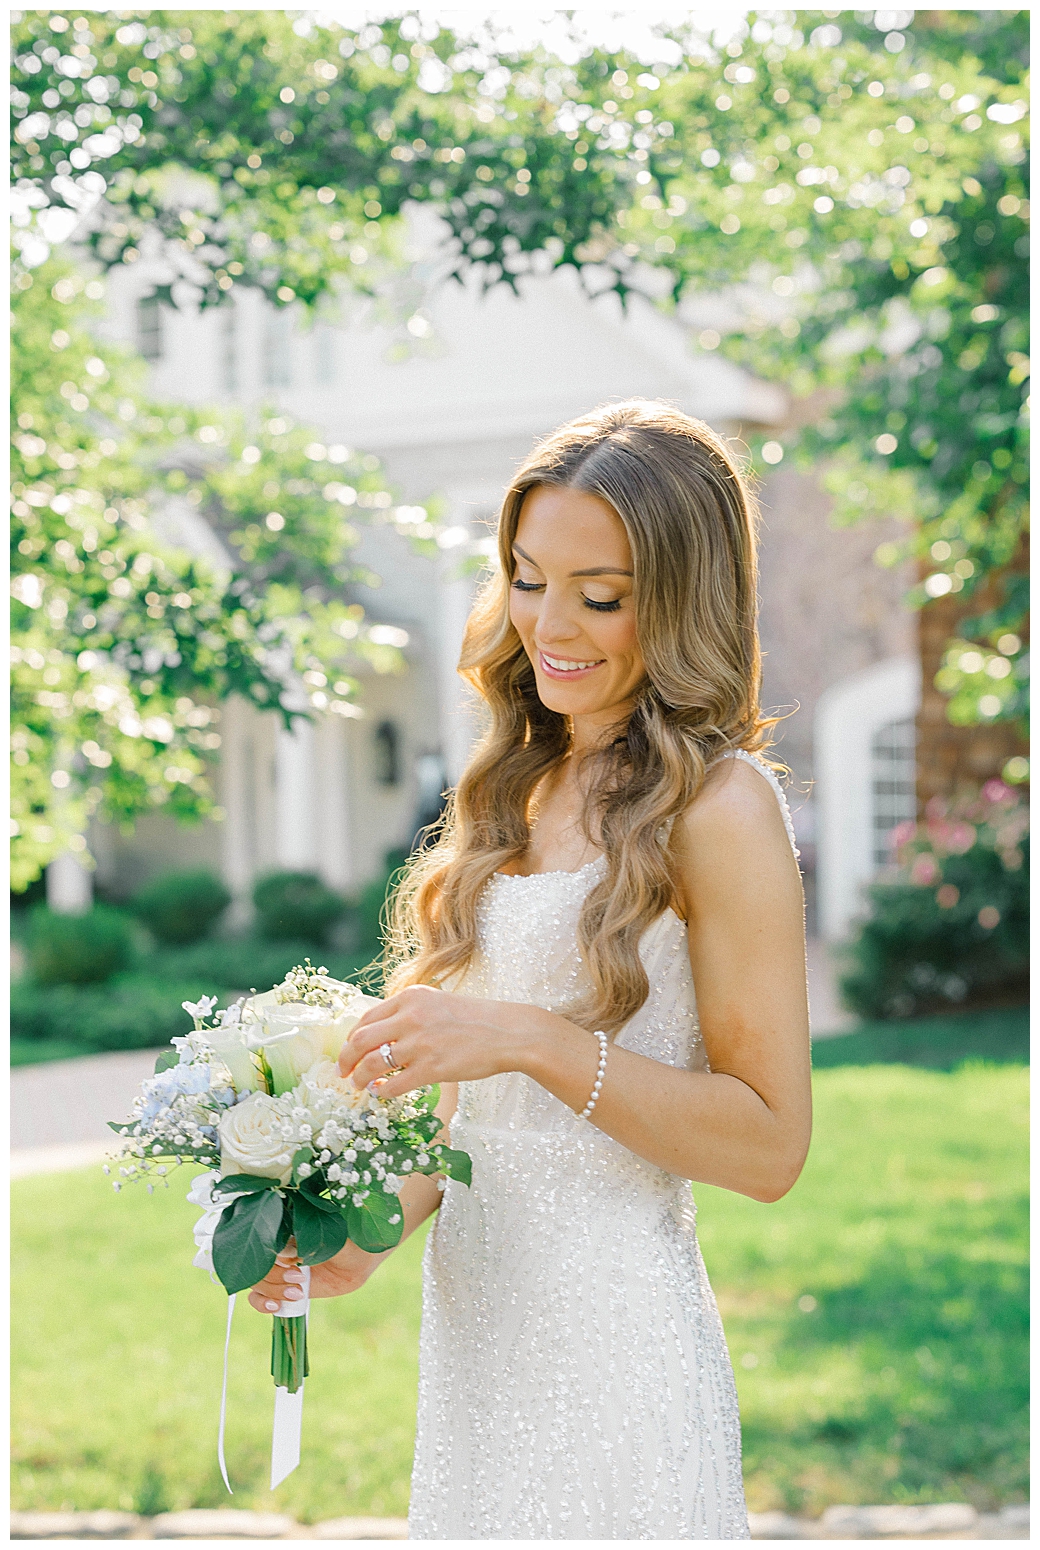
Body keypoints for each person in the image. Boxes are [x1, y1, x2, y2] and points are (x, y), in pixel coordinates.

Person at [249, 400, 812, 1540]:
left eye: (599, 596)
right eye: (527, 578)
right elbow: (472, 1115)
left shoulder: (721, 807)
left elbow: (769, 1146)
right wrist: (357, 1236)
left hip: (617, 1351)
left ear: (684, 597)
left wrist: (532, 1040)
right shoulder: (519, 783)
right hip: (480, 1355)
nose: (549, 624)